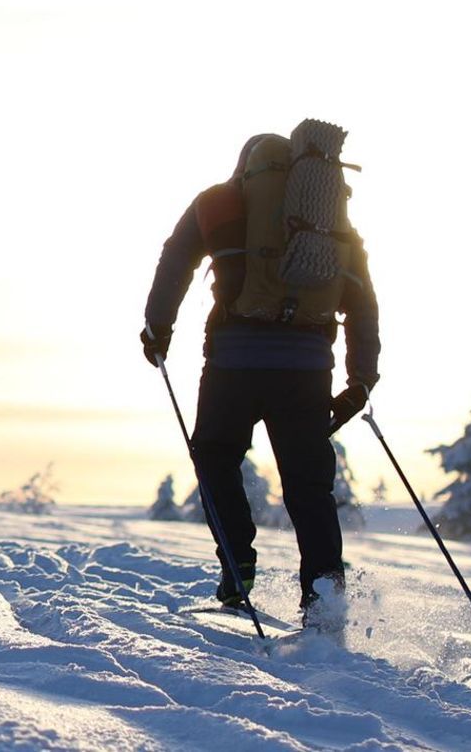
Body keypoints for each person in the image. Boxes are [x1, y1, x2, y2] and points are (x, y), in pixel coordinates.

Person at [141, 130, 380, 622]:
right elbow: (362, 302)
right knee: (308, 486)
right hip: (308, 369)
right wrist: (361, 378)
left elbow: (176, 258)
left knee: (215, 455)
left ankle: (237, 563)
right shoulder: (330, 225)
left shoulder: (217, 202)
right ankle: (323, 598)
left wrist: (157, 328)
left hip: (234, 362)